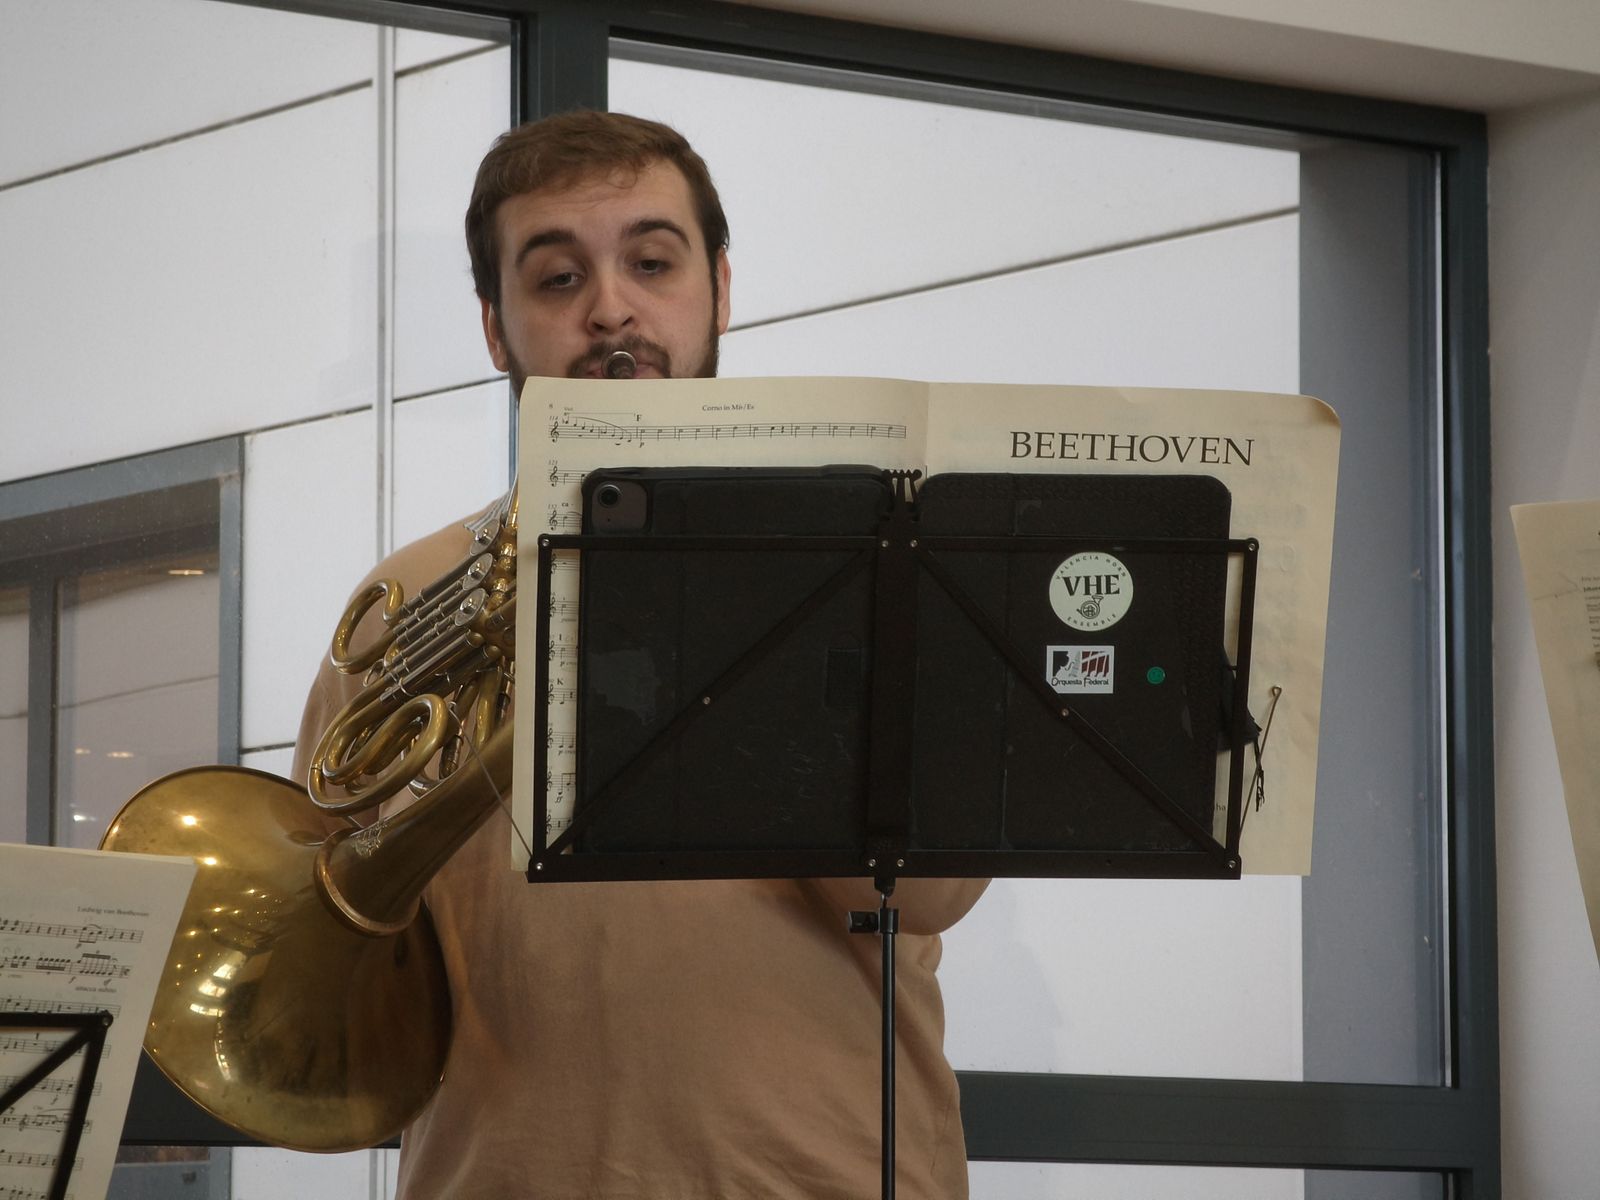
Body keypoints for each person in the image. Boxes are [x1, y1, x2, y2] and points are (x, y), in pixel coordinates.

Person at [292, 111, 987, 1199]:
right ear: (496, 329)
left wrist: (732, 586)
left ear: (720, 289)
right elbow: (327, 951)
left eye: (652, 264)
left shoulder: (874, 556)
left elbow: (932, 892)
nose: (611, 308)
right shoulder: (406, 606)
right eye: (557, 279)